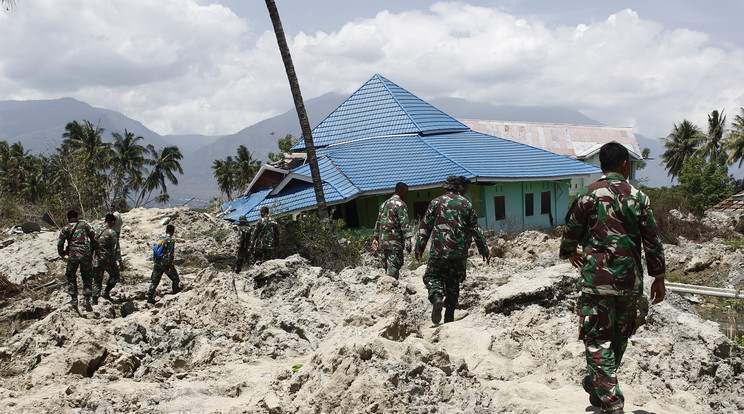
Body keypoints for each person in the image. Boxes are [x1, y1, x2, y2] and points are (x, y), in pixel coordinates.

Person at [559, 142, 666, 414]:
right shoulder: (640, 197)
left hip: (597, 281)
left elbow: (570, 230)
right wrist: (659, 277)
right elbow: (652, 242)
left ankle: (610, 401)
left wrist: (569, 252)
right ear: (624, 165)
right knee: (619, 336)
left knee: (597, 340)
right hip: (629, 281)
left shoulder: (587, 195)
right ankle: (599, 387)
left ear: (601, 165)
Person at [415, 176, 490, 324]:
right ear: (460, 188)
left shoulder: (435, 202)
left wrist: (419, 247)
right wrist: (484, 249)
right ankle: (449, 316)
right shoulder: (466, 204)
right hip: (459, 252)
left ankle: (437, 297)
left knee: (432, 277)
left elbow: (425, 227)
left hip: (439, 250)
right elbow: (475, 229)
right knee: (453, 281)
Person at [57, 210, 97, 309]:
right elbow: (94, 238)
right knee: (87, 277)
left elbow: (60, 243)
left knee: (71, 276)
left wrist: (62, 254)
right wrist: (93, 251)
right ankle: (87, 299)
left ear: (68, 218)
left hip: (73, 254)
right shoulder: (85, 225)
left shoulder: (65, 228)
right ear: (77, 217)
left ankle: (74, 299)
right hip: (86, 254)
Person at [372, 182, 413, 279]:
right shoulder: (400, 205)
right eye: (406, 192)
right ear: (400, 191)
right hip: (395, 242)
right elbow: (405, 224)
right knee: (394, 265)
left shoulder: (384, 204)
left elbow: (378, 222)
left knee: (388, 264)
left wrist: (375, 238)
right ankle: (391, 287)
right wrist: (408, 241)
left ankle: (388, 284)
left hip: (384, 241)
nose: (406, 195)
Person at [93, 213, 124, 304]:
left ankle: (95, 299)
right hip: (107, 259)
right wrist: (120, 263)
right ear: (113, 222)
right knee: (115, 275)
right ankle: (106, 292)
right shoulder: (112, 232)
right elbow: (116, 249)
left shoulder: (96, 231)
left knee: (97, 279)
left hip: (95, 258)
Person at [146, 224, 181, 304]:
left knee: (155, 281)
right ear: (172, 232)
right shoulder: (170, 240)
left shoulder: (161, 239)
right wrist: (171, 267)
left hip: (157, 263)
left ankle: (149, 297)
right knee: (175, 279)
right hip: (165, 263)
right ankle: (176, 293)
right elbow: (170, 254)